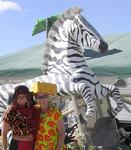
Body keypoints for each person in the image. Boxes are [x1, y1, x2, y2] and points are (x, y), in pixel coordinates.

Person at [2, 85, 39, 150]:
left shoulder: (33, 109)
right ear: (15, 98)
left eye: (24, 96)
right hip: (17, 145)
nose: (21, 98)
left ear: (27, 97)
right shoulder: (11, 111)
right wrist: (5, 148)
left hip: (31, 145)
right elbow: (4, 133)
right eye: (19, 96)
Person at [31, 82, 66, 150]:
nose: (41, 99)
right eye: (38, 97)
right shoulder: (34, 111)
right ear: (35, 98)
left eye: (43, 96)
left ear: (48, 97)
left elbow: (62, 133)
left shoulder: (55, 113)